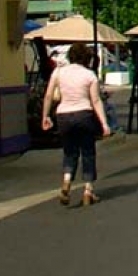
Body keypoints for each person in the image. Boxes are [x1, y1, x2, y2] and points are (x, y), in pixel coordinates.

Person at [42, 42, 112, 207]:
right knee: (88, 151)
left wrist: (45, 116)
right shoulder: (89, 75)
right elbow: (95, 100)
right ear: (87, 58)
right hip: (84, 114)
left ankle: (66, 181)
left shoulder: (58, 72)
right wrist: (104, 123)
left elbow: (48, 95)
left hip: (63, 115)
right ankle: (88, 190)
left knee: (69, 151)